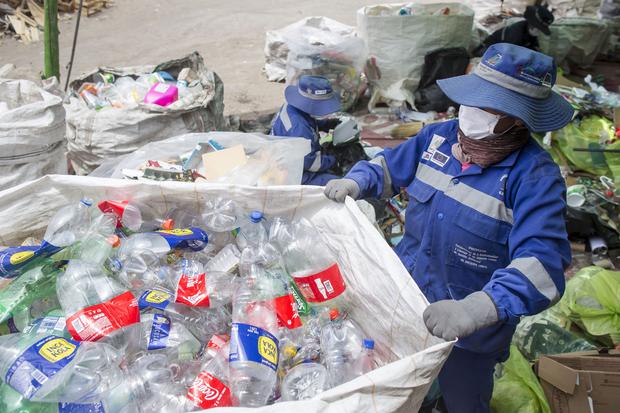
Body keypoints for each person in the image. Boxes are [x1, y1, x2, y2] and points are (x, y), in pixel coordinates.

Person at [324, 43, 574, 412]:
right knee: (401, 391)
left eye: (486, 107)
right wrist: (359, 180)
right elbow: (390, 167)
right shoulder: (438, 137)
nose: (468, 113)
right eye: (471, 101)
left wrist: (477, 309)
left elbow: (543, 265)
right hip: (406, 305)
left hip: (470, 338)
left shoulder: (535, 178)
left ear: (517, 120)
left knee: (463, 402)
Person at [271, 75, 341, 186]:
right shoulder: (299, 129)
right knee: (337, 182)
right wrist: (333, 160)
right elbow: (310, 163)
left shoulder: (292, 107)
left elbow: (308, 121)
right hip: (293, 172)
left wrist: (327, 124)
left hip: (284, 154)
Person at [480, 5, 554, 53]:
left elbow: (533, 47)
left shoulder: (530, 33)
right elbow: (509, 55)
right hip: (488, 51)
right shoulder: (516, 32)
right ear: (531, 23)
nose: (537, 31)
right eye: (536, 27)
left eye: (540, 29)